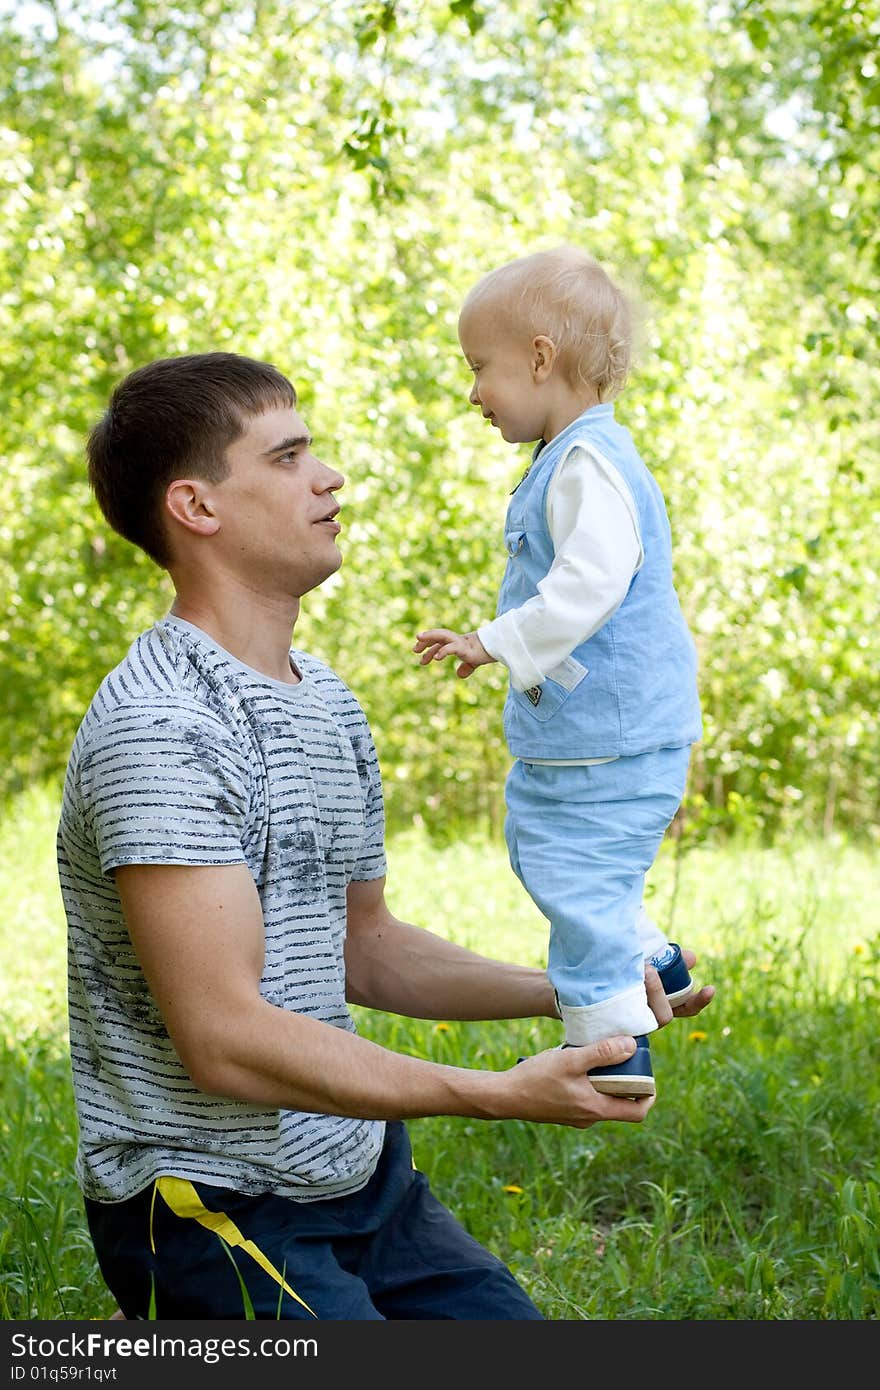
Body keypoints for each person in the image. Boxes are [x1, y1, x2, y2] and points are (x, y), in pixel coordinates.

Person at [57, 351, 713, 1323]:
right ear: (197, 507)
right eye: (286, 458)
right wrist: (496, 1090)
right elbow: (224, 1039)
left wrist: (578, 992)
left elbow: (365, 947)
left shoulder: (325, 700)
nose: (329, 478)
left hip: (360, 1174)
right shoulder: (161, 725)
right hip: (205, 1202)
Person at [414, 246, 704, 1100]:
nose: (473, 392)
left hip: (610, 736)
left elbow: (590, 583)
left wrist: (493, 639)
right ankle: (655, 960)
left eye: (480, 369)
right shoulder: (573, 458)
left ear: (540, 359)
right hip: (596, 735)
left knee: (576, 877)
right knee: (544, 846)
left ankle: (613, 1045)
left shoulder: (587, 463)